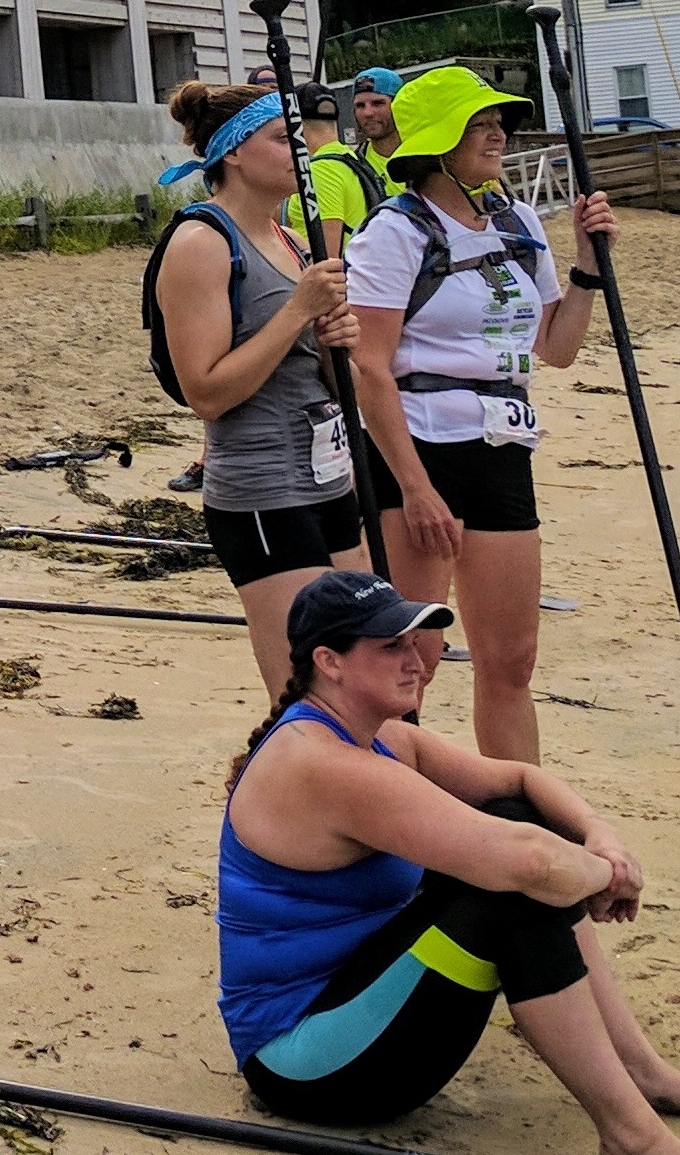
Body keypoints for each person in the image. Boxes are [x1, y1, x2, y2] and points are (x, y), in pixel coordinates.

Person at [218, 572, 680, 1155]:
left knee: (517, 832)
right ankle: (634, 1145)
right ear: (328, 661)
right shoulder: (320, 763)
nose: (418, 661)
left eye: (418, 642)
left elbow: (519, 781)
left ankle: (639, 1069)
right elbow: (529, 865)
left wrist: (600, 838)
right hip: (307, 1064)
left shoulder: (381, 736)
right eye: (391, 646)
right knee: (513, 883)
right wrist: (602, 876)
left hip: (356, 1005)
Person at [342, 67, 613, 765]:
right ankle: (399, 827)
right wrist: (414, 486)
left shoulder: (519, 222)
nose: (497, 132)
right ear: (438, 143)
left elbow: (555, 348)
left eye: (500, 121)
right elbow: (368, 367)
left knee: (512, 661)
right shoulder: (392, 234)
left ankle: (520, 825)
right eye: (478, 123)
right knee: (411, 663)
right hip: (418, 453)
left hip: (501, 449)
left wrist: (586, 267)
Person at [149, 79, 372, 700]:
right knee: (307, 694)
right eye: (282, 139)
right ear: (235, 153)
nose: (299, 151)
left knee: (364, 674)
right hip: (262, 487)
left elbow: (327, 380)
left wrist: (336, 344)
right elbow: (208, 393)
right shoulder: (202, 243)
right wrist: (299, 313)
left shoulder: (291, 241)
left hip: (329, 478)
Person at [306, 67, 404, 231]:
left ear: (399, 104)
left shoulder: (427, 160)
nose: (368, 113)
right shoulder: (352, 165)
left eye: (377, 103)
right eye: (360, 105)